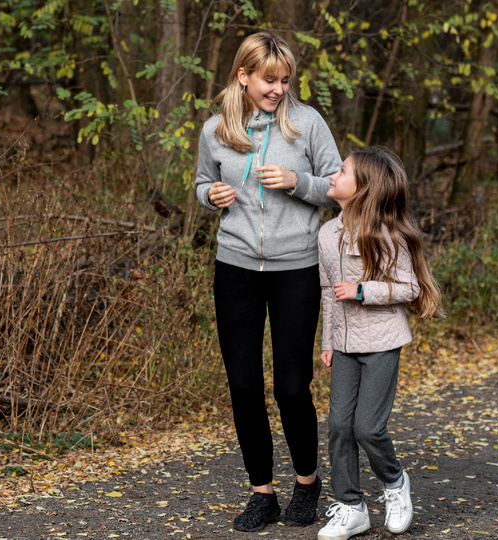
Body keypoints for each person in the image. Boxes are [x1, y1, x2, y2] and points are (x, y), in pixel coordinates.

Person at [194, 32, 342, 532]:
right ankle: (263, 494)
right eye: (269, 80)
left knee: (292, 387)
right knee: (243, 385)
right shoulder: (215, 129)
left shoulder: (308, 123)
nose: (279, 89)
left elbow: (340, 188)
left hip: (295, 268)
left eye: (285, 80)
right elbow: (201, 182)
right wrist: (210, 195)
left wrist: (298, 183)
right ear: (244, 76)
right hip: (235, 268)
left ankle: (307, 484)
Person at [316, 148, 443, 540]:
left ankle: (395, 481)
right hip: (344, 344)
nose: (333, 175)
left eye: (342, 171)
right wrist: (327, 340)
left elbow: (409, 287)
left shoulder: (388, 235)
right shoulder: (327, 234)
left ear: (364, 187)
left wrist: (361, 290)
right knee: (339, 426)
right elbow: (327, 291)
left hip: (383, 340)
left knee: (368, 428)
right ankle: (351, 508)